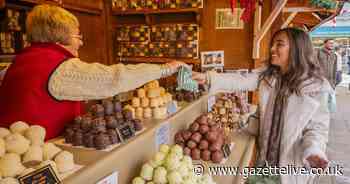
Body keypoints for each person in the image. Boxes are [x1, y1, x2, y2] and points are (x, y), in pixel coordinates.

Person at [0, 4, 185, 140]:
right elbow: (114, 78)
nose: (81, 42)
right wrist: (164, 69)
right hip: (40, 158)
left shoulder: (22, 60)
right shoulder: (59, 68)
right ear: (58, 36)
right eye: (77, 36)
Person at [192, 28, 333, 184]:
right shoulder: (268, 76)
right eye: (272, 44)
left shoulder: (317, 87)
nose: (272, 49)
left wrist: (313, 151)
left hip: (289, 169)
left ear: (297, 49)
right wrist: (206, 78)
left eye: (279, 44)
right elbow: (240, 80)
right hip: (263, 162)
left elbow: (317, 129)